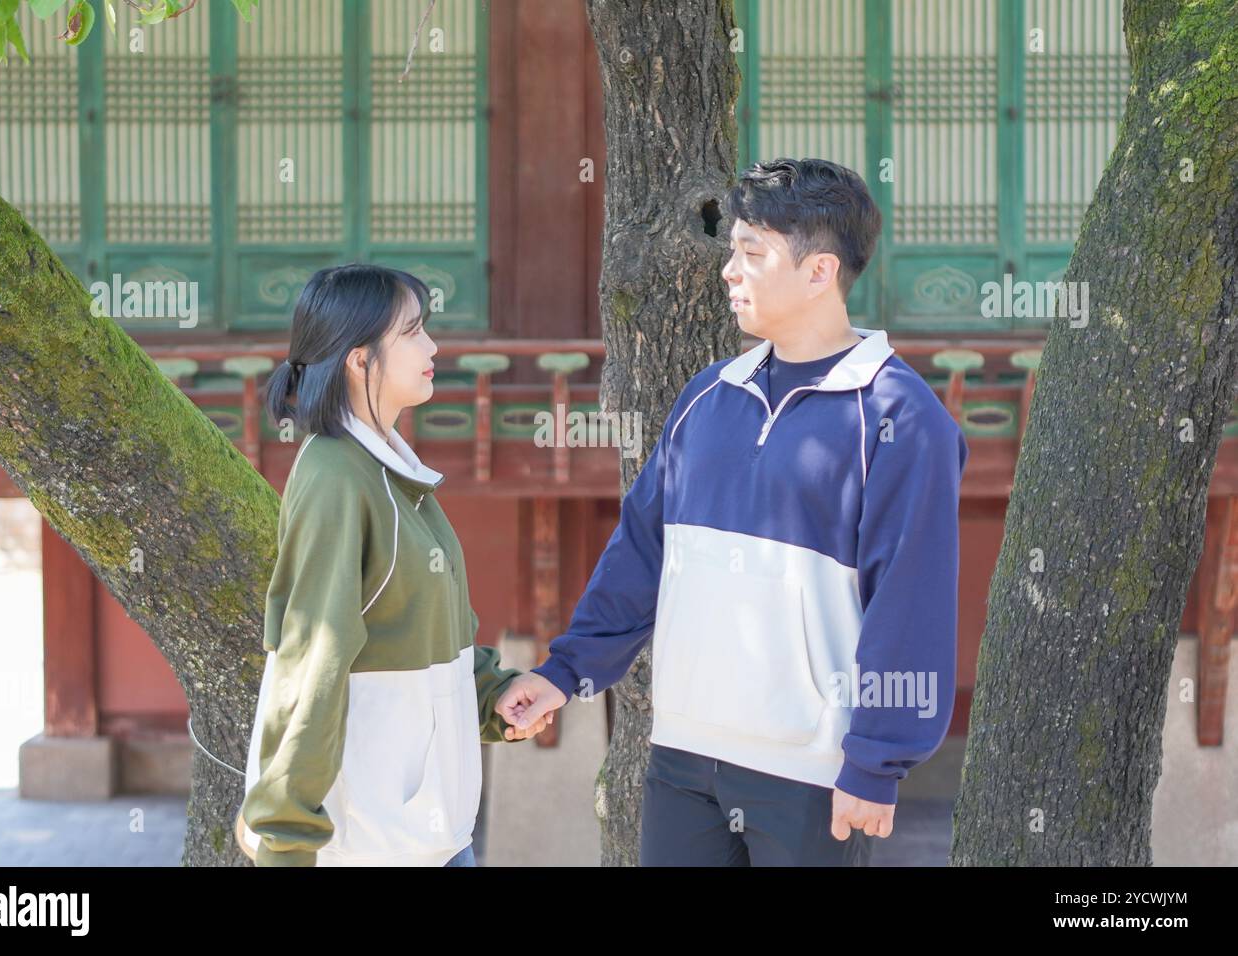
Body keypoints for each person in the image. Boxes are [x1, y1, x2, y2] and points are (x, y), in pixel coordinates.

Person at [498, 158, 969, 866]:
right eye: (732, 252)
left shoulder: (899, 418)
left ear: (819, 272)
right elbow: (642, 550)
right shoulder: (708, 395)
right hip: (682, 758)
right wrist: (565, 672)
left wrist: (876, 761)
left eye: (753, 254)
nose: (729, 271)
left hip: (812, 772)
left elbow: (912, 602)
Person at [236, 263, 550, 867]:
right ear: (359, 359)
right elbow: (309, 659)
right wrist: (285, 839)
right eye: (412, 332)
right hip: (372, 845)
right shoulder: (335, 477)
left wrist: (491, 694)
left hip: (433, 834)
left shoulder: (390, 471)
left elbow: (426, 632)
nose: (432, 346)